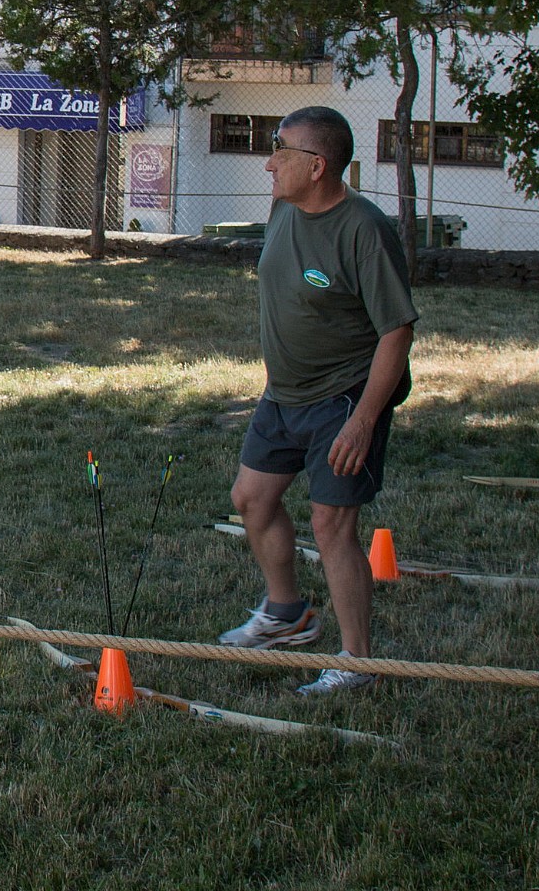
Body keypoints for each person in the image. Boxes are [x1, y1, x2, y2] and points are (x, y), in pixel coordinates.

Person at [217, 106, 417, 694]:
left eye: (281, 150)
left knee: (331, 525)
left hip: (343, 397)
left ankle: (357, 662)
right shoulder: (285, 207)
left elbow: (397, 331)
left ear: (319, 165)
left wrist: (363, 421)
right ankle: (287, 614)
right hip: (284, 394)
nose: (269, 161)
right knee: (251, 501)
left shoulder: (363, 229)